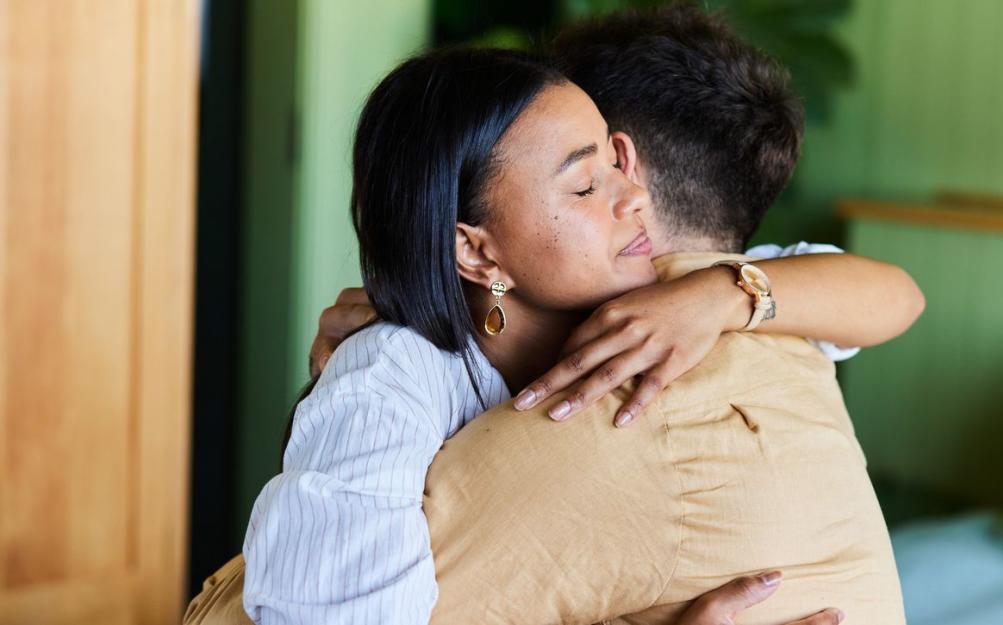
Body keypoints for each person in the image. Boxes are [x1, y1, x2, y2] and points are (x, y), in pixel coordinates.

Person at [231, 8, 921, 625]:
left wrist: (724, 296)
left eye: (620, 165)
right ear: (475, 250)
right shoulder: (390, 380)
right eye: (587, 181)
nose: (630, 197)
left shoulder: (667, 292)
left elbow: (891, 295)